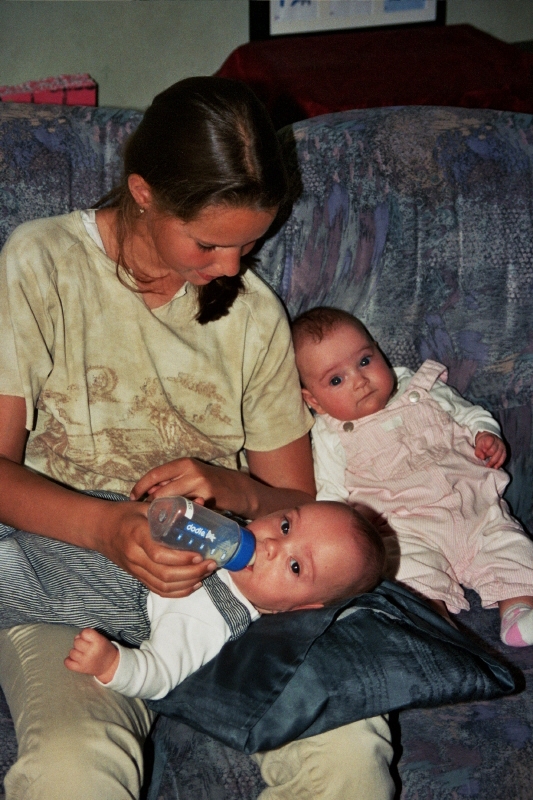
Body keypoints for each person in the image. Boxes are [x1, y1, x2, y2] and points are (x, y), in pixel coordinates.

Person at [0, 78, 395, 800]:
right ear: (143, 191)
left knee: (348, 759)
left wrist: (231, 484)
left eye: (250, 245)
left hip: (238, 590)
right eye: (209, 243)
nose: (230, 270)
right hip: (69, 588)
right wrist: (108, 527)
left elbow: (293, 501)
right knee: (72, 772)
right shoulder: (40, 265)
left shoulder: (251, 315)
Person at [292, 306, 533, 647]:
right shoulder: (330, 438)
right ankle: (435, 629)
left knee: (512, 548)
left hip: (476, 511)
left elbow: (469, 414)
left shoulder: (423, 389)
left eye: (364, 360)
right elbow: (330, 496)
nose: (359, 380)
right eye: (336, 379)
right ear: (313, 400)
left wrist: (483, 434)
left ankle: (519, 613)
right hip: (405, 532)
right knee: (407, 578)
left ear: (379, 350)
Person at [0, 501, 385, 699]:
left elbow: (161, 673)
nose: (271, 546)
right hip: (56, 524)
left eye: (296, 567)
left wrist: (112, 663)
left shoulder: (210, 616)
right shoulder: (226, 531)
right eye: (285, 526)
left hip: (51, 579)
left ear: (297, 609)